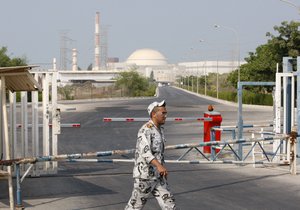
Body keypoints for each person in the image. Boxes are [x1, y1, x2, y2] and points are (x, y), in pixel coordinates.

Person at [125, 100, 176, 210]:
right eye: (163, 113)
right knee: (134, 207)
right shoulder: (145, 130)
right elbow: (145, 152)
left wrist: (161, 168)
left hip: (158, 177)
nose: (165, 116)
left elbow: (158, 153)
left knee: (169, 205)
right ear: (154, 114)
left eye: (166, 113)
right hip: (145, 176)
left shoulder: (160, 129)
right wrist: (159, 166)